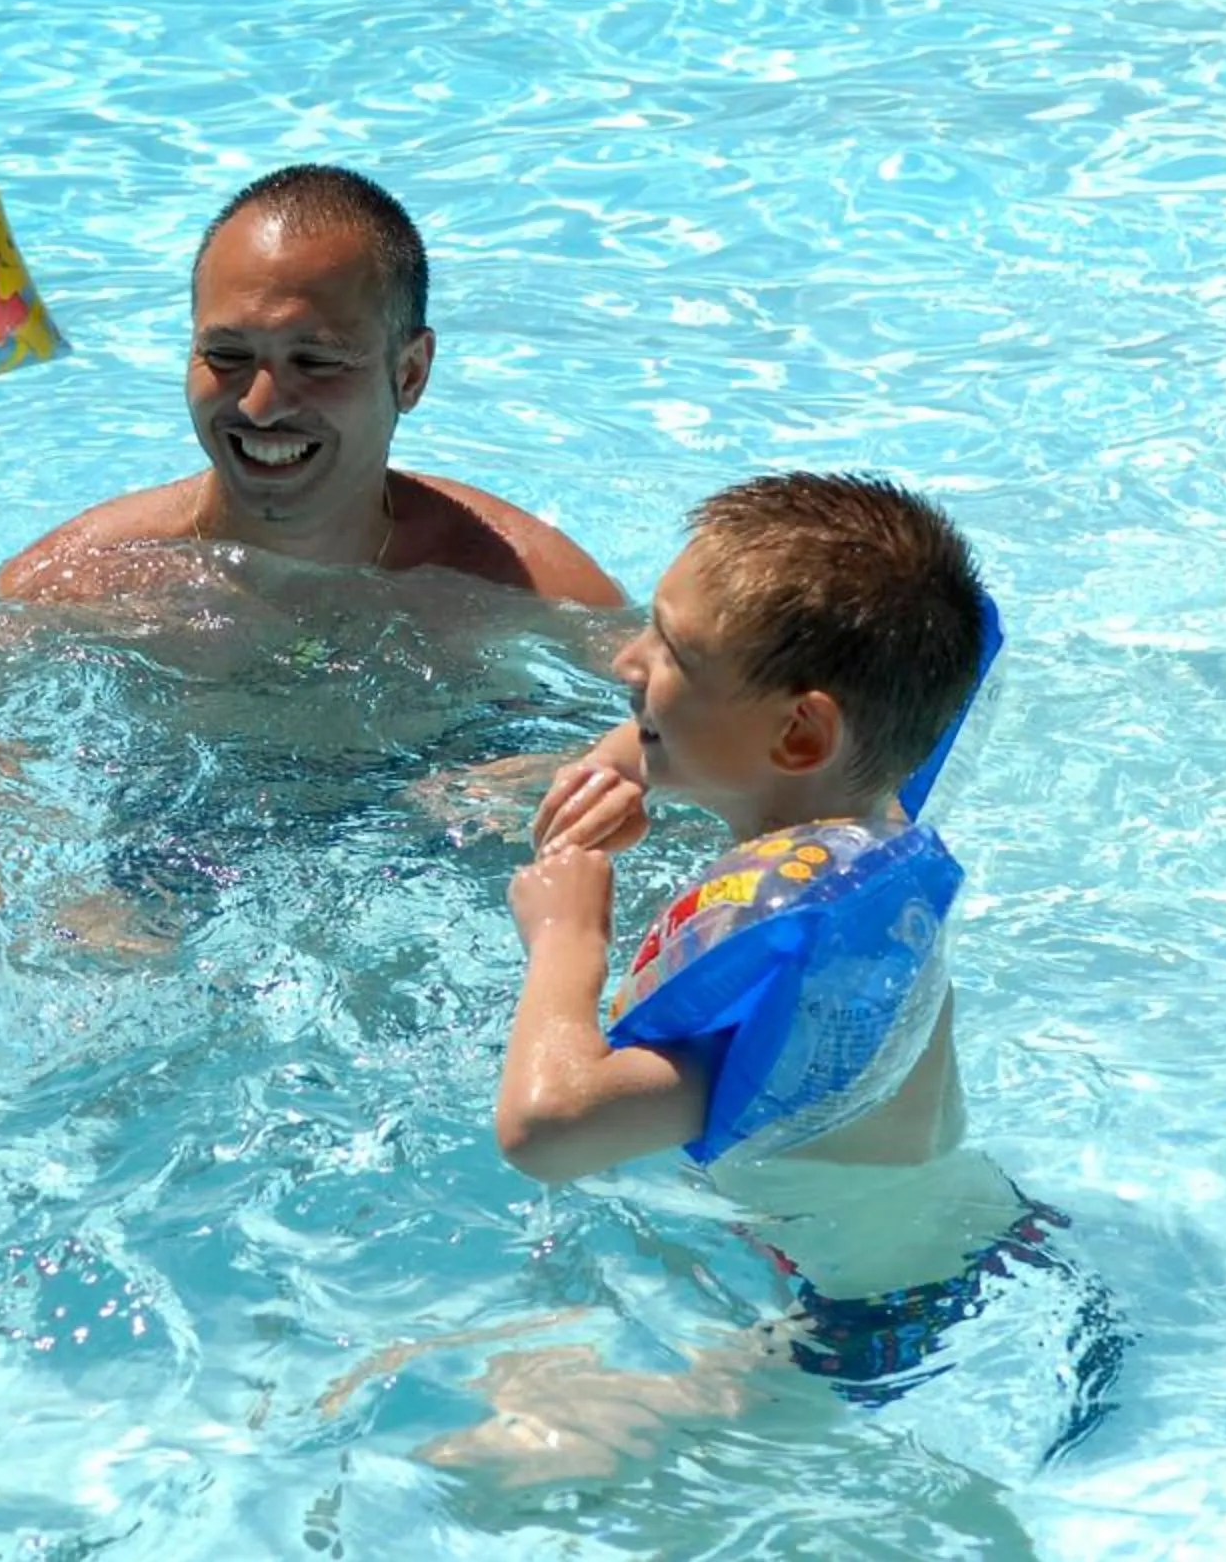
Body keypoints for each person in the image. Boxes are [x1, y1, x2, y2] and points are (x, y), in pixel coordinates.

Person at [432, 472, 1119, 1476]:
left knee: (485, 1466)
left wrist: (567, 935)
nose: (626, 659)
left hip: (855, 1329)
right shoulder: (868, 820)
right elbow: (743, 746)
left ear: (799, 732)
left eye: (671, 651)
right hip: (965, 1237)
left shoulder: (802, 967)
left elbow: (548, 1129)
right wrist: (624, 763)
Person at [0, 165, 623, 609]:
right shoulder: (71, 586)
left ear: (410, 373)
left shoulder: (530, 591)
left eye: (316, 362)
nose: (260, 407)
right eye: (227, 355)